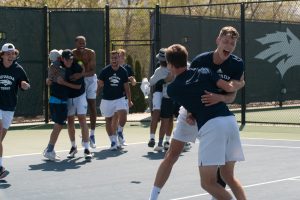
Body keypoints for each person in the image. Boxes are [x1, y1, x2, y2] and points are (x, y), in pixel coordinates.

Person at [149, 26, 245, 199]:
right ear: (218, 40)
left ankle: (218, 195)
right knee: (172, 154)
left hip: (216, 113)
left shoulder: (236, 64)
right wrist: (191, 113)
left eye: (232, 43)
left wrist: (220, 98)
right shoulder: (202, 62)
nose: (229, 45)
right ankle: (153, 196)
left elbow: (231, 95)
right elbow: (188, 87)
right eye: (225, 41)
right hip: (193, 111)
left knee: (220, 174)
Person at [43, 49, 82, 161]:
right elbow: (53, 79)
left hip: (58, 100)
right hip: (58, 101)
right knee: (58, 125)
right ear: (59, 58)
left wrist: (50, 79)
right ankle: (49, 150)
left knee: (58, 125)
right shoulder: (57, 67)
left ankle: (49, 149)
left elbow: (51, 79)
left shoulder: (57, 67)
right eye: (61, 57)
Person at [0, 43, 30, 178]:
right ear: (2, 55)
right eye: (8, 53)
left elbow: (24, 83)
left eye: (13, 53)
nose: (11, 56)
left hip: (10, 107)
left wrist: (24, 85)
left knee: (0, 138)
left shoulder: (18, 69)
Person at [98, 50, 133, 150]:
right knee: (108, 120)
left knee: (123, 114)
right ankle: (113, 141)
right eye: (112, 58)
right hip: (107, 99)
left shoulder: (123, 71)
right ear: (110, 59)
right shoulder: (104, 71)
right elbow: (100, 84)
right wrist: (95, 94)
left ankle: (120, 131)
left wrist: (129, 100)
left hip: (120, 98)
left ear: (119, 59)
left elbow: (127, 87)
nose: (114, 60)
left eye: (116, 58)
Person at [61, 49, 92, 160]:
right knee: (70, 121)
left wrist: (63, 82)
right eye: (67, 59)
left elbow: (78, 87)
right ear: (63, 59)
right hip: (68, 97)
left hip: (80, 95)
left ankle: (87, 148)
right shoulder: (60, 66)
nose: (69, 61)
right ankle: (73, 147)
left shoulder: (78, 67)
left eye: (71, 59)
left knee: (82, 119)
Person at [72, 36, 97, 149]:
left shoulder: (91, 53)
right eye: (80, 43)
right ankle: (84, 134)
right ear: (76, 43)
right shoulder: (72, 54)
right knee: (81, 109)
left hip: (90, 80)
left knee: (92, 105)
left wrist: (80, 74)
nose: (82, 44)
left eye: (84, 42)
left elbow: (91, 72)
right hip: (79, 81)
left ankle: (91, 134)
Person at [111, 48, 136, 146]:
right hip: (114, 97)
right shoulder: (112, 68)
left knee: (123, 117)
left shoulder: (127, 68)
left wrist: (131, 79)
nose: (120, 58)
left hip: (124, 96)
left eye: (121, 56)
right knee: (115, 117)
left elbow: (133, 83)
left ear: (123, 58)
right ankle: (114, 139)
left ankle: (120, 132)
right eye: (118, 56)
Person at [147, 48, 169, 148]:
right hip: (161, 93)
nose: (161, 61)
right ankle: (155, 139)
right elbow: (151, 82)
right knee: (161, 114)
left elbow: (151, 82)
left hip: (165, 94)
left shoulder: (169, 68)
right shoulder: (160, 68)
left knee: (165, 116)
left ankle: (163, 140)